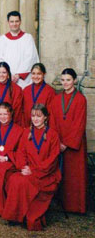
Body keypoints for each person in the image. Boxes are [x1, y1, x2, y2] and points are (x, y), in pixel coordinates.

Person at [2, 104, 61, 230]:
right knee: (13, 179)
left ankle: (25, 216)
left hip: (45, 174)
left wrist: (34, 170)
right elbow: (21, 152)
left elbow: (53, 159)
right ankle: (15, 216)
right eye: (33, 116)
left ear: (45, 117)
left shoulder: (52, 135)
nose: (35, 119)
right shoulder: (26, 132)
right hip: (28, 170)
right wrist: (23, 167)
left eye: (39, 116)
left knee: (22, 181)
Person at [50, 68, 87, 214]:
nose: (65, 83)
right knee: (60, 173)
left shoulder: (80, 99)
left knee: (74, 175)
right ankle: (61, 204)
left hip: (73, 143)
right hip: (59, 142)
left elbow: (79, 123)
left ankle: (76, 206)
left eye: (68, 80)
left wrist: (67, 143)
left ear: (75, 81)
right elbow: (52, 120)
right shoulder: (56, 99)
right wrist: (57, 141)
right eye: (63, 80)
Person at [0, 11, 39, 88]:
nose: (14, 24)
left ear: (20, 22)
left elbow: (31, 58)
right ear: (8, 22)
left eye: (17, 21)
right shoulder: (2, 39)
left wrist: (18, 75)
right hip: (7, 77)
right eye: (12, 21)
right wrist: (7, 74)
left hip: (23, 79)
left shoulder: (27, 38)